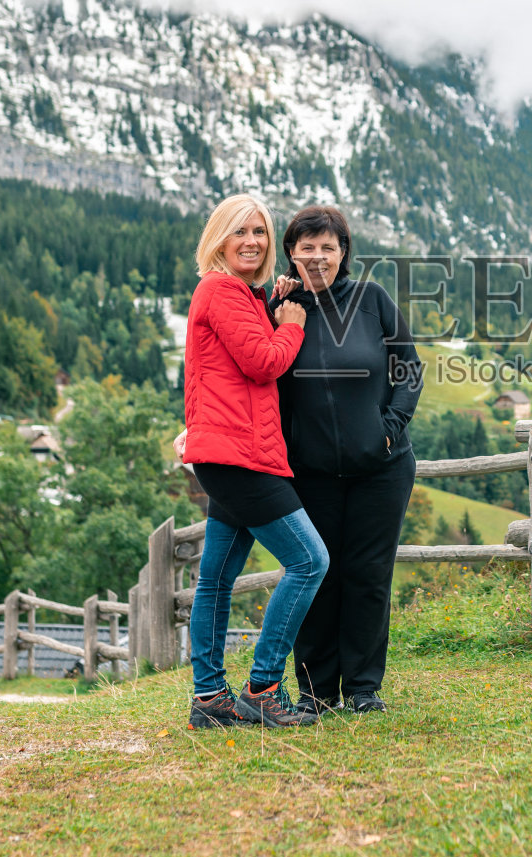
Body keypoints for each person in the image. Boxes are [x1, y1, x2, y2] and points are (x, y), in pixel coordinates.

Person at [180, 193, 329, 729]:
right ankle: (262, 687)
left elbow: (224, 365)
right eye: (239, 231)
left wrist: (271, 303)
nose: (251, 241)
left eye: (260, 231)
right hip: (240, 457)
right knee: (310, 561)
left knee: (216, 579)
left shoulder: (236, 293)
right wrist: (292, 324)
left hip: (230, 451)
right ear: (218, 238)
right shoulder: (220, 289)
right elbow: (263, 362)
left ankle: (208, 697)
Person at [271, 205, 423, 714]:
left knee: (368, 575)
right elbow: (254, 374)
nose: (317, 256)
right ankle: (316, 694)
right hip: (309, 473)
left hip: (381, 469)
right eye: (307, 247)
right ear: (291, 253)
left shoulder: (371, 300)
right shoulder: (279, 309)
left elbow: (409, 368)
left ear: (343, 253)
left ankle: (362, 688)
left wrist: (390, 429)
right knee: (316, 575)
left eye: (327, 247)